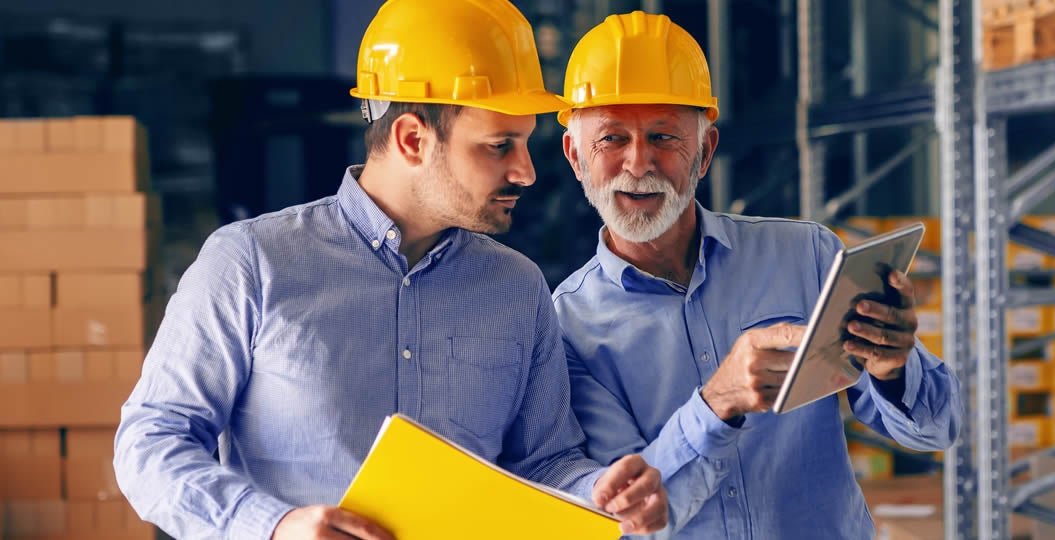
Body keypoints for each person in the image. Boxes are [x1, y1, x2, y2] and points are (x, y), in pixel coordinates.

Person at [113, 2, 667, 538]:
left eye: (523, 144)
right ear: (412, 139)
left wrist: (599, 492)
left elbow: (544, 463)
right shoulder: (251, 264)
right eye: (500, 146)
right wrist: (274, 526)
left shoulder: (517, 288)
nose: (524, 172)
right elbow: (151, 443)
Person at [551, 11, 963, 540]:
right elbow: (635, 519)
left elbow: (938, 427)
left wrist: (893, 368)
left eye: (663, 137)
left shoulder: (806, 255)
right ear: (575, 156)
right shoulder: (565, 328)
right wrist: (718, 402)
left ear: (704, 153)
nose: (638, 162)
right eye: (611, 139)